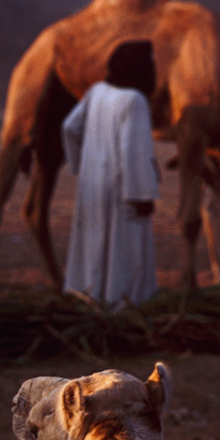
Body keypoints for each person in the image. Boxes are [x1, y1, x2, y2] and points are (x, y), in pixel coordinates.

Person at [61, 40, 161, 307]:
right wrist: (142, 195)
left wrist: (83, 166)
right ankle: (122, 307)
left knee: (93, 245)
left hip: (92, 185)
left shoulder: (97, 91)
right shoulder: (135, 101)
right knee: (124, 253)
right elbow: (135, 152)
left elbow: (70, 127)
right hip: (123, 190)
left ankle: (90, 298)